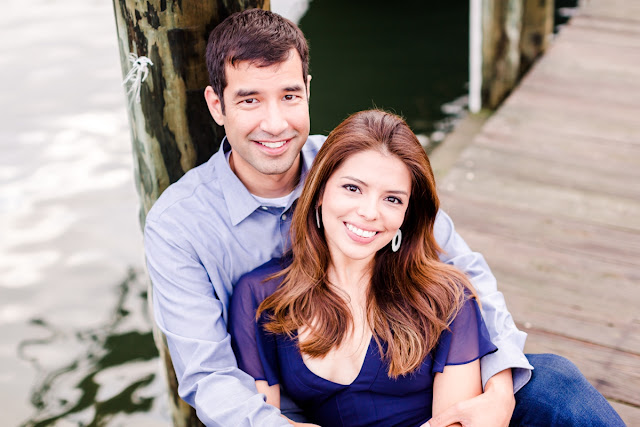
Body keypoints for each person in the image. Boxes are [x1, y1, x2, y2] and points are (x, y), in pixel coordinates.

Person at [143, 8, 624, 427]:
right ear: (216, 104)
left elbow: (466, 275)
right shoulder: (180, 226)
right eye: (250, 100)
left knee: (557, 386)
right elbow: (208, 375)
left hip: (412, 372)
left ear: (308, 90)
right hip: (284, 410)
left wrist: (499, 389)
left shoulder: (353, 164)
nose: (275, 123)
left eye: (289, 96)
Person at [228, 109, 499, 427]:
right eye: (353, 188)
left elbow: (456, 420)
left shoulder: (447, 297)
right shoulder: (261, 295)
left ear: (407, 215)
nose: (370, 212)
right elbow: (260, 419)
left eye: (393, 200)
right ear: (319, 192)